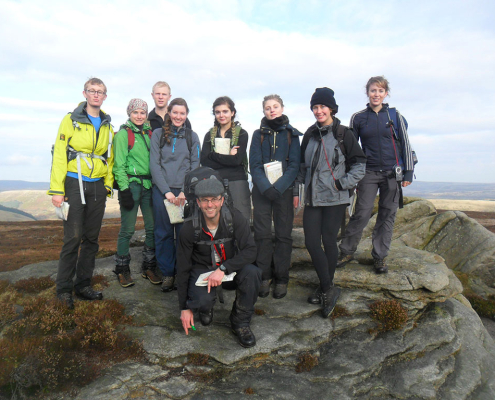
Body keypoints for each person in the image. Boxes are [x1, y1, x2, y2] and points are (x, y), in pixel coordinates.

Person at [295, 88, 366, 317]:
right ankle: (328, 288)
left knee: (328, 240)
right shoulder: (309, 134)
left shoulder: (344, 134)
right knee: (312, 242)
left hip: (335, 198)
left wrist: (341, 184)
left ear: (331, 109)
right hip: (314, 198)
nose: (318, 111)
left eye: (322, 107)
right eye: (315, 107)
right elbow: (302, 166)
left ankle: (326, 287)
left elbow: (359, 164)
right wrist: (299, 189)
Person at [337, 76, 415, 273]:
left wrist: (408, 173)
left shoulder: (396, 116)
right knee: (361, 212)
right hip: (368, 172)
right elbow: (351, 148)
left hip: (392, 173)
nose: (376, 94)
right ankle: (346, 250)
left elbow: (405, 143)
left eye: (380, 91)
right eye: (373, 91)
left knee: (387, 215)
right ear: (367, 92)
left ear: (386, 93)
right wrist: (351, 174)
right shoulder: (358, 117)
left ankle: (380, 257)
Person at [48, 77, 114, 309]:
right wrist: (57, 189)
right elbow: (59, 154)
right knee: (73, 238)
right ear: (84, 93)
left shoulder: (107, 124)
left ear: (105, 96)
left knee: (91, 239)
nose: (96, 95)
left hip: (97, 186)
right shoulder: (71, 120)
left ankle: (83, 284)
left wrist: (107, 184)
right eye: (92, 91)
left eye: (100, 92)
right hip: (74, 183)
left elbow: (110, 157)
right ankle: (63, 289)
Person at [177, 177, 261, 347]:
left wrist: (224, 268)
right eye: (205, 200)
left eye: (215, 199)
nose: (210, 205)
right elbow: (182, 267)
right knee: (201, 301)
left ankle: (240, 321)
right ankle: (206, 306)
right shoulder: (188, 228)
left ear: (222, 200)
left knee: (252, 273)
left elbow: (251, 250)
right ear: (198, 203)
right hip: (202, 270)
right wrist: (184, 307)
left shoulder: (235, 218)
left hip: (228, 268)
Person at [249, 94, 301, 299]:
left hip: (284, 191)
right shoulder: (257, 134)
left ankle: (281, 278)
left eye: (275, 106)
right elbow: (254, 164)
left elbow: (295, 165)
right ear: (264, 111)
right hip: (262, 193)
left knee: (283, 236)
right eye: (268, 108)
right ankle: (264, 277)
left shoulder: (292, 134)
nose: (272, 110)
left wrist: (277, 188)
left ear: (282, 108)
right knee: (261, 235)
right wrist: (265, 187)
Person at [150, 98, 201, 292]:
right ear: (169, 113)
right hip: (162, 193)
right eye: (175, 112)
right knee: (162, 234)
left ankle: (183, 274)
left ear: (186, 115)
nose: (178, 116)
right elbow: (154, 165)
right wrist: (167, 192)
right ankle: (168, 274)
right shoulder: (157, 134)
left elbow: (194, 165)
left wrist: (183, 192)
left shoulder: (192, 136)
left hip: (184, 194)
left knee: (184, 235)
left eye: (182, 113)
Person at [113, 99, 161, 288]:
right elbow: (119, 165)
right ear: (129, 114)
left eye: (143, 112)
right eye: (136, 112)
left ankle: (148, 266)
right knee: (127, 229)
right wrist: (124, 190)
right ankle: (122, 268)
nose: (139, 116)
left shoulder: (150, 133)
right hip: (131, 186)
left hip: (149, 185)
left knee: (152, 227)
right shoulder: (123, 135)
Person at [201, 96, 251, 222]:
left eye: (225, 111)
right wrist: (227, 156)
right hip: (215, 181)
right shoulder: (209, 134)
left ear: (232, 113)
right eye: (218, 112)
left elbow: (237, 161)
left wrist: (213, 155)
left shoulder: (242, 133)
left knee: (241, 220)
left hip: (237, 181)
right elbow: (204, 160)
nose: (221, 115)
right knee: (218, 221)